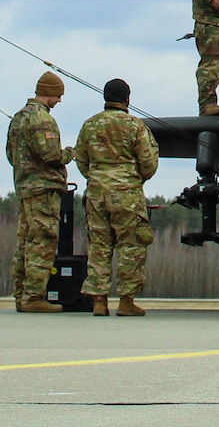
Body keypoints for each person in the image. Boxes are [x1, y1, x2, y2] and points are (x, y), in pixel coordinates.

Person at [74, 78, 160, 317]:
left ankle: (99, 301)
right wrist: (134, 178)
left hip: (97, 194)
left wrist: (97, 176)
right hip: (127, 195)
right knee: (131, 245)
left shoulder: (89, 125)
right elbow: (149, 161)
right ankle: (126, 301)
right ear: (127, 99)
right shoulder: (135, 126)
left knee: (99, 246)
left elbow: (80, 158)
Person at [6, 70, 73, 313]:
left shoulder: (18, 117)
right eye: (58, 96)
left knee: (25, 242)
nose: (59, 101)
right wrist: (69, 153)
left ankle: (21, 296)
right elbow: (51, 155)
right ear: (49, 93)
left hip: (25, 187)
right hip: (43, 189)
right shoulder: (42, 119)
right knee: (43, 240)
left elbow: (9, 154)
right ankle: (34, 297)